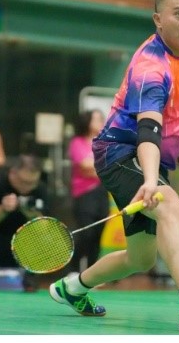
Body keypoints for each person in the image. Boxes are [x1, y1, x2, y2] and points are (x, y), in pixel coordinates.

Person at [49, 0, 179, 331]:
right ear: (158, 20)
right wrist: (150, 181)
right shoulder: (151, 68)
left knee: (141, 258)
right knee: (169, 204)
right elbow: (147, 129)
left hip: (150, 154)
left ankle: (72, 289)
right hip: (120, 151)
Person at [0, 155, 50, 292]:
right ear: (13, 173)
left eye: (32, 183)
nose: (28, 187)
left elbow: (45, 225)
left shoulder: (41, 187)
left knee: (46, 235)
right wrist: (3, 209)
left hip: (25, 246)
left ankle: (31, 278)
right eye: (24, 182)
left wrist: (31, 215)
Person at [69, 109, 106, 274]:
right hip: (84, 194)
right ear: (87, 122)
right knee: (86, 233)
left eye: (101, 119)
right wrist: (102, 166)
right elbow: (84, 165)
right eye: (96, 119)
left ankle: (92, 275)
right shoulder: (77, 142)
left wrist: (94, 166)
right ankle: (73, 271)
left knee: (98, 234)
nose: (101, 122)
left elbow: (109, 164)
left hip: (102, 192)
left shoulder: (106, 143)